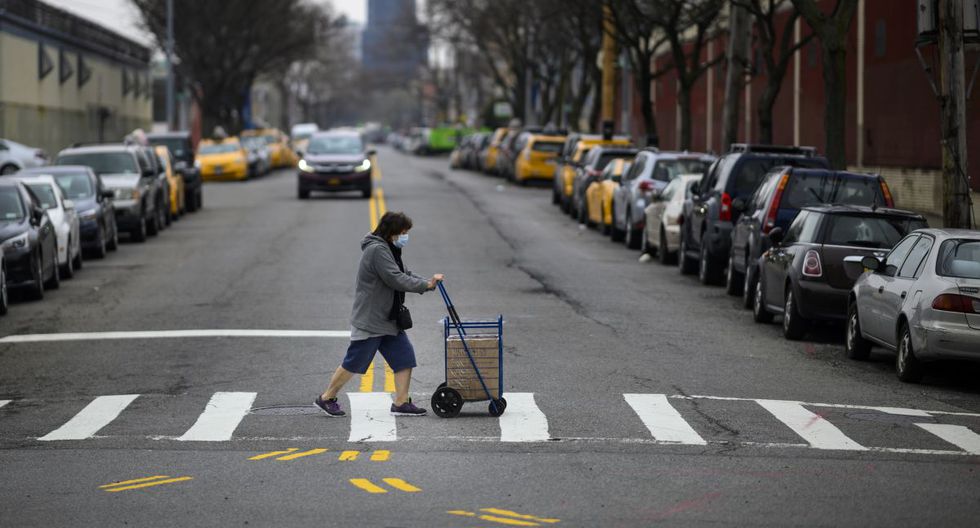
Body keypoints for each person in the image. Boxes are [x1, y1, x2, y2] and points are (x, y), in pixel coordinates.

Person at [315, 211, 443, 417]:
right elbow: (395, 278)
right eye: (403, 232)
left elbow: (405, 273)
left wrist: (428, 282)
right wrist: (425, 285)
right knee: (355, 361)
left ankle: (401, 403)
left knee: (404, 358)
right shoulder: (376, 250)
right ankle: (326, 397)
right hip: (371, 319)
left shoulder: (389, 249)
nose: (405, 236)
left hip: (388, 318)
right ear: (391, 232)